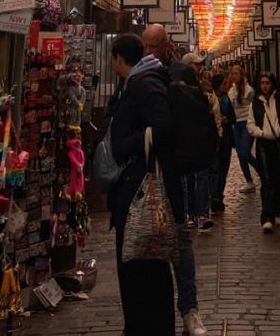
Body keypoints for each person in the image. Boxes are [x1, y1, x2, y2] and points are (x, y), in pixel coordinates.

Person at [107, 34, 177, 336]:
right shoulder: (139, 82)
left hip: (140, 193)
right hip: (133, 190)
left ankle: (149, 328)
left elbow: (163, 127)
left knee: (142, 266)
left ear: (117, 58)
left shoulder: (144, 83)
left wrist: (126, 145)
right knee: (142, 266)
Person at [142, 25, 208, 336]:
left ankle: (189, 311)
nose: (149, 52)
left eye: (153, 46)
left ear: (167, 45)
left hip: (174, 172)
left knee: (180, 241)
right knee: (149, 244)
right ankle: (158, 314)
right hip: (146, 175)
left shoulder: (177, 74)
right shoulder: (142, 76)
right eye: (146, 46)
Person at [247, 72, 280, 233]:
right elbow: (250, 125)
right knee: (266, 180)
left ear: (272, 84)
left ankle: (277, 211)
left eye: (267, 83)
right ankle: (266, 216)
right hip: (262, 145)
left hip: (277, 144)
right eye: (262, 83)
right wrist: (261, 133)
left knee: (277, 179)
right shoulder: (255, 104)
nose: (264, 85)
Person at [181, 50, 221, 234]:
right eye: (196, 64)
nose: (200, 67)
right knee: (189, 177)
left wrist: (217, 132)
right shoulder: (179, 87)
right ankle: (190, 213)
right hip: (187, 138)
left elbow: (214, 110)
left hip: (202, 137)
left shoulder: (205, 87)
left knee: (202, 176)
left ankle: (203, 213)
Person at [228, 64, 259, 192]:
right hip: (237, 124)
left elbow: (254, 107)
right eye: (232, 74)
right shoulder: (231, 91)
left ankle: (263, 172)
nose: (234, 76)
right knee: (241, 155)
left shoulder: (249, 90)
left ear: (241, 75)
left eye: (236, 73)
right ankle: (249, 181)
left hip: (247, 123)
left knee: (244, 152)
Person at [210, 73, 234, 211]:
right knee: (215, 169)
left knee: (223, 168)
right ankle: (214, 198)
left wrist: (227, 119)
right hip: (215, 139)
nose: (227, 86)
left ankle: (219, 194)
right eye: (224, 83)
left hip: (226, 139)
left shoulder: (226, 99)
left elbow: (233, 117)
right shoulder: (211, 98)